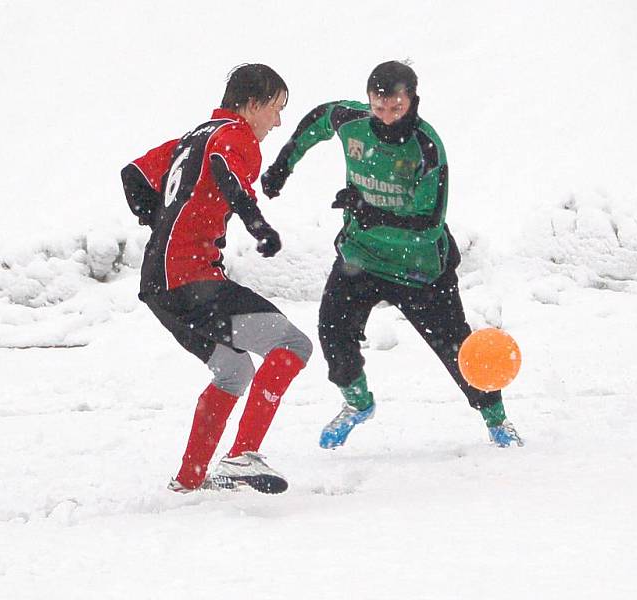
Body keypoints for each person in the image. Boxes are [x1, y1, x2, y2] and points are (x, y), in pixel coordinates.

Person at [260, 60, 522, 449]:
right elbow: (319, 119)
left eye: (396, 109)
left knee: (459, 353)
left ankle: (498, 421)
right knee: (333, 333)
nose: (385, 119)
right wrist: (283, 166)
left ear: (413, 101)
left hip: (421, 271)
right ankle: (358, 403)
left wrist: (370, 213)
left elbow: (429, 223)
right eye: (378, 109)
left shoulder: (427, 147)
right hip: (361, 258)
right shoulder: (353, 121)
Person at [121, 64, 312, 494]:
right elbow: (226, 170)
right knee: (294, 345)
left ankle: (189, 481)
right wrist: (257, 224)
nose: (277, 123)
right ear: (252, 104)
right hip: (191, 278)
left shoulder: (192, 137)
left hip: (158, 283)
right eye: (277, 110)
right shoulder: (236, 136)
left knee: (232, 368)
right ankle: (242, 455)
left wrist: (161, 222)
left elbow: (132, 174)